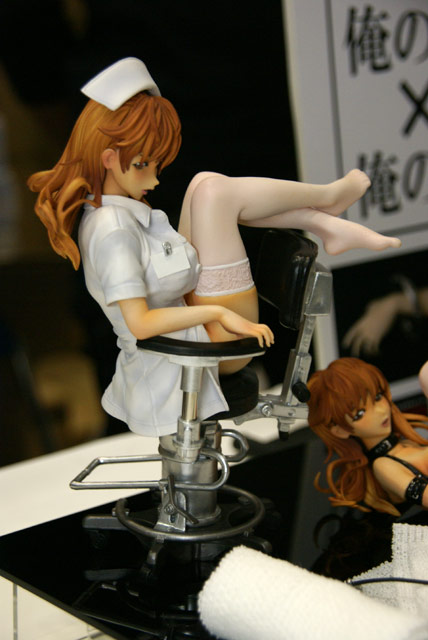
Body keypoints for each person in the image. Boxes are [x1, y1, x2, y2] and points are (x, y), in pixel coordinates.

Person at [28, 58, 401, 437]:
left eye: (158, 164)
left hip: (189, 324)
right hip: (195, 349)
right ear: (109, 159)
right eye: (143, 164)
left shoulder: (113, 210)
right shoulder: (113, 229)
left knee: (204, 183)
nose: (155, 180)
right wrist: (220, 315)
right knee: (213, 194)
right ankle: (326, 202)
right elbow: (140, 323)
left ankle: (322, 220)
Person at [307, 357, 428, 516]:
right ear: (340, 431)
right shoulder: (384, 466)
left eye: (378, 397)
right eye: (360, 413)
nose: (380, 411)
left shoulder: (408, 443)